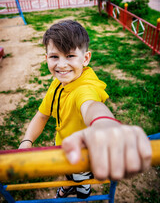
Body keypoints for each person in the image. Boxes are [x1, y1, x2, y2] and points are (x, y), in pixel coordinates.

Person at [19, 20, 151, 199]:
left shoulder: (85, 88)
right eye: (54, 57)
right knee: (69, 175)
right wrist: (27, 140)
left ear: (86, 58)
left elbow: (91, 106)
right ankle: (68, 187)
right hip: (63, 144)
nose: (62, 65)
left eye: (70, 56)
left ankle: (82, 198)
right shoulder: (58, 82)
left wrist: (104, 123)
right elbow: (42, 115)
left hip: (82, 155)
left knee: (82, 184)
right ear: (46, 58)